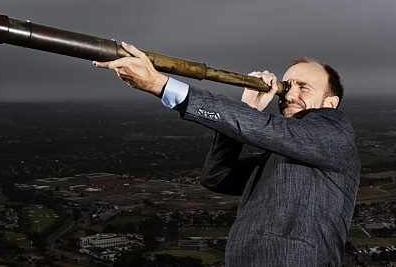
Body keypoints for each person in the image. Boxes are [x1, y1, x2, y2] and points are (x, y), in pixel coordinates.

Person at [93, 42, 360, 266]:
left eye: (303, 87)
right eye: (286, 86)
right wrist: (248, 106)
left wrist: (160, 85)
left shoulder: (336, 132)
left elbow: (265, 128)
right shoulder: (283, 157)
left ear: (330, 103)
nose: (288, 94)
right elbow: (216, 176)